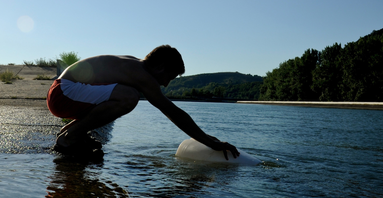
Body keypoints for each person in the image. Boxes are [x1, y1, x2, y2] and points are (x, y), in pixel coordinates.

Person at [46, 45, 240, 159]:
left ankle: (71, 134)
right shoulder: (141, 74)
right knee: (129, 97)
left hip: (63, 91)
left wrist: (208, 138)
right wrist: (209, 142)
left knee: (125, 94)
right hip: (64, 94)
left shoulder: (135, 65)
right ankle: (69, 138)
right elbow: (172, 111)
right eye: (169, 77)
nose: (165, 83)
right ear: (160, 67)